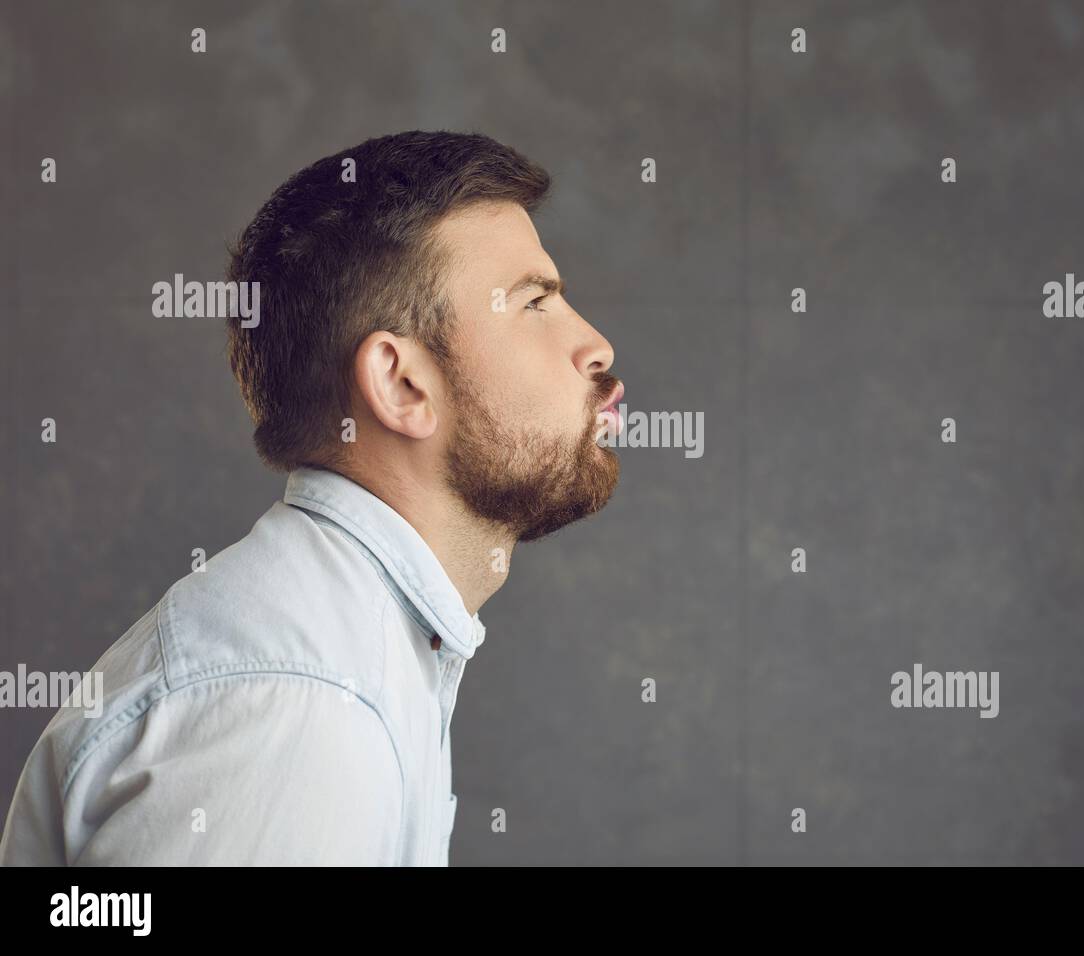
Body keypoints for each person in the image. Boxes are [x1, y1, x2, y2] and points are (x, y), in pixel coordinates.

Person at [0, 130, 624, 865]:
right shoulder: (298, 708)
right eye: (536, 303)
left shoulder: (349, 655)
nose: (596, 345)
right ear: (399, 384)